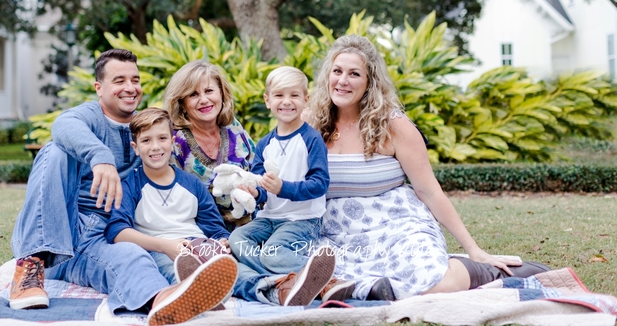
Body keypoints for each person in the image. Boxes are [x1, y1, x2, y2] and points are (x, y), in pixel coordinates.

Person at [307, 35, 550, 301]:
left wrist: (473, 248)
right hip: (335, 232)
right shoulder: (310, 124)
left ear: (369, 83)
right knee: (299, 279)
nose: (343, 81)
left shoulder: (393, 126)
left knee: (433, 285)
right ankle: (372, 289)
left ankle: (482, 270)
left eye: (354, 74)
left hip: (396, 226)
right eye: (337, 71)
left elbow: (430, 191)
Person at [9, 49, 237, 325]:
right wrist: (100, 157)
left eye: (135, 80)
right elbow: (62, 124)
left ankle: (164, 300)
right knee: (54, 151)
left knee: (134, 256)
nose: (130, 88)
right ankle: (32, 262)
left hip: (106, 234)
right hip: (64, 234)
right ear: (99, 88)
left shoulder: (142, 128)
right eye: (119, 80)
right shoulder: (89, 117)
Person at [229, 66, 355, 302]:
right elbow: (261, 189)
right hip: (269, 219)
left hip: (301, 219)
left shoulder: (311, 139)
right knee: (237, 240)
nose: (286, 102)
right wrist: (253, 192)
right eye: (279, 95)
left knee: (271, 254)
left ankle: (329, 280)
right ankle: (289, 280)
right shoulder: (264, 144)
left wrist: (283, 188)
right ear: (267, 100)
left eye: (294, 95)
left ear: (305, 100)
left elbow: (319, 184)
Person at [104, 108, 231, 285]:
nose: (155, 146)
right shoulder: (130, 185)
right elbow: (116, 231)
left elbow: (216, 229)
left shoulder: (192, 184)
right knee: (173, 270)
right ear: (136, 148)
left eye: (162, 138)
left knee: (233, 267)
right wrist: (164, 246)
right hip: (159, 250)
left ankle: (268, 289)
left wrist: (222, 242)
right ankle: (197, 289)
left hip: (197, 243)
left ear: (172, 143)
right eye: (146, 140)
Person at [163, 60, 256, 230]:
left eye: (209, 91)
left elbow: (257, 170)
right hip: (206, 234)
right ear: (182, 104)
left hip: (255, 225)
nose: (204, 100)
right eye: (193, 94)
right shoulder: (175, 142)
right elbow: (174, 203)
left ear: (221, 94)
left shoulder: (233, 128)